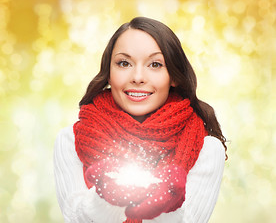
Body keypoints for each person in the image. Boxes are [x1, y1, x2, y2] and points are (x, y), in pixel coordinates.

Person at [54, 16, 227, 223]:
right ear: (109, 73)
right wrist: (107, 196)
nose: (137, 77)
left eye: (155, 64)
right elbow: (74, 219)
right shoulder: (71, 141)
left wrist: (167, 202)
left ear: (174, 76)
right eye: (124, 63)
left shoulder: (206, 149)